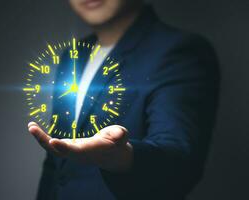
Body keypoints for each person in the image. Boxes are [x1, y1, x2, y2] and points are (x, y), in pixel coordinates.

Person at [28, 0, 219, 199]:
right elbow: (56, 163)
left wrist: (124, 158)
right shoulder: (72, 57)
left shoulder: (179, 51)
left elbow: (180, 161)